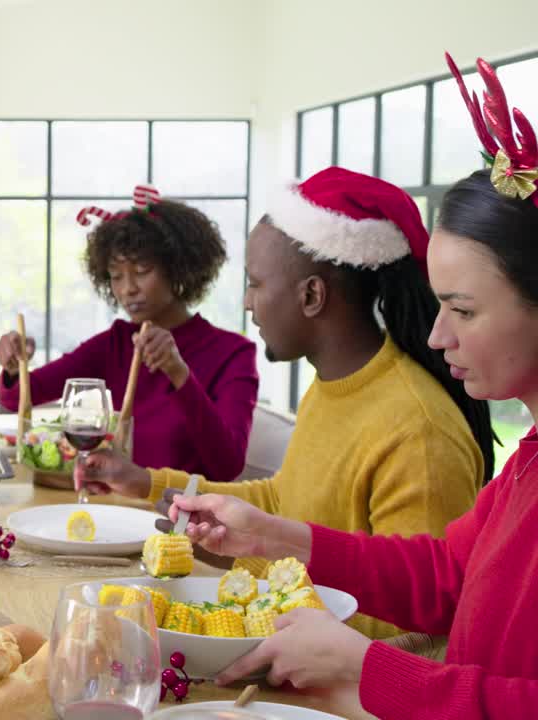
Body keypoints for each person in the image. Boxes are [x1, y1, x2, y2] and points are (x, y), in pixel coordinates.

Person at [153, 54, 538, 720]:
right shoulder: (525, 463)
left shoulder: (419, 421)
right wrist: (272, 537)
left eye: (465, 310)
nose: (440, 335)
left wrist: (367, 670)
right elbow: (444, 573)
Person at [84, 167, 494, 640]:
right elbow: (283, 500)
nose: (247, 302)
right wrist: (148, 484)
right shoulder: (335, 384)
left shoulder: (418, 429)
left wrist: (256, 561)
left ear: (312, 295)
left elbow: (412, 626)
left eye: (256, 283)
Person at [0, 185, 258, 483]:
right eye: (116, 276)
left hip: (182, 520)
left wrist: (179, 373)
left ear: (179, 268)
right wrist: (14, 367)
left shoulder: (233, 353)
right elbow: (16, 397)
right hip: (117, 510)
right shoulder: (116, 344)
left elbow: (228, 465)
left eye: (142, 271)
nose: (127, 289)